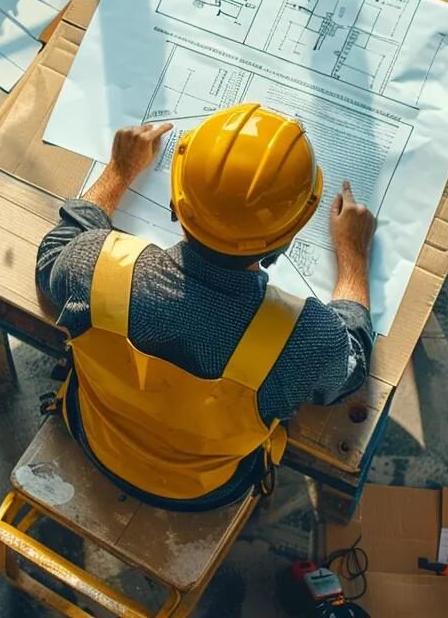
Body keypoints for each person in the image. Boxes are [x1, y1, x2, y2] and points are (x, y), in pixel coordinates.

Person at [36, 103, 376, 511]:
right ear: (290, 235)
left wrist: (119, 172)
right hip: (207, 489)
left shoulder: (96, 266)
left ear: (176, 205)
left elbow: (52, 254)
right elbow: (351, 367)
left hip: (93, 435)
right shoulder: (306, 339)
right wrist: (354, 257)